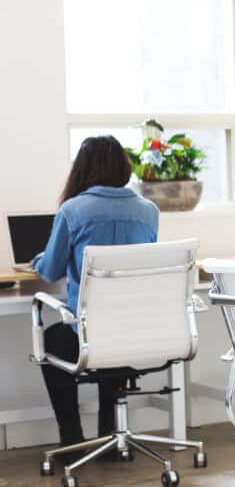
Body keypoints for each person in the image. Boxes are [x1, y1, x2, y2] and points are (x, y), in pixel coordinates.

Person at [33, 135, 159, 452]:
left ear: (82, 169)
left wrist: (36, 260)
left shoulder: (73, 210)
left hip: (90, 333)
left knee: (53, 340)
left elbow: (49, 271)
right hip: (138, 331)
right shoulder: (149, 211)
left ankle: (73, 440)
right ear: (124, 167)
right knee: (112, 341)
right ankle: (111, 434)